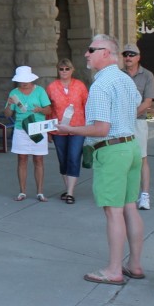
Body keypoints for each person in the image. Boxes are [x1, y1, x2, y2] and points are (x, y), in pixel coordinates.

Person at [57, 35, 144, 285]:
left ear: (106, 53)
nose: (86, 54)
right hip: (130, 146)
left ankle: (114, 269)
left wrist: (70, 130)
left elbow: (100, 128)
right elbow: (137, 104)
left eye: (91, 50)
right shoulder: (125, 80)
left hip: (113, 150)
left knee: (113, 211)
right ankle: (134, 264)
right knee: (130, 207)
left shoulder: (100, 85)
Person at [5, 66, 52, 202]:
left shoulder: (40, 91)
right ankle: (22, 192)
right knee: (22, 159)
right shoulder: (14, 93)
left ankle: (40, 192)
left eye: (26, 80)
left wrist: (40, 109)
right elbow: (8, 114)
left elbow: (49, 109)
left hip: (37, 128)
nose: (24, 83)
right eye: (21, 81)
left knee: (38, 159)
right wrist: (8, 105)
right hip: (21, 128)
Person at [47, 59, 89, 205]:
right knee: (63, 159)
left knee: (74, 157)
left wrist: (89, 128)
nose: (64, 71)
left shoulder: (80, 86)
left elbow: (87, 106)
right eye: (61, 69)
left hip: (77, 128)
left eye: (67, 69)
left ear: (72, 70)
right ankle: (68, 188)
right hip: (58, 129)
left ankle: (70, 192)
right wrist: (48, 131)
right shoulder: (52, 87)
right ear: (57, 71)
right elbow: (49, 109)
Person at [122, 43, 154, 210]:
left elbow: (147, 102)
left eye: (132, 54)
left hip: (138, 121)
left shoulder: (147, 75)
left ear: (138, 57)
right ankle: (127, 194)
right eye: (126, 54)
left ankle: (145, 196)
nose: (128, 57)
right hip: (120, 123)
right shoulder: (118, 74)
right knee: (123, 158)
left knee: (142, 158)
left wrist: (130, 116)